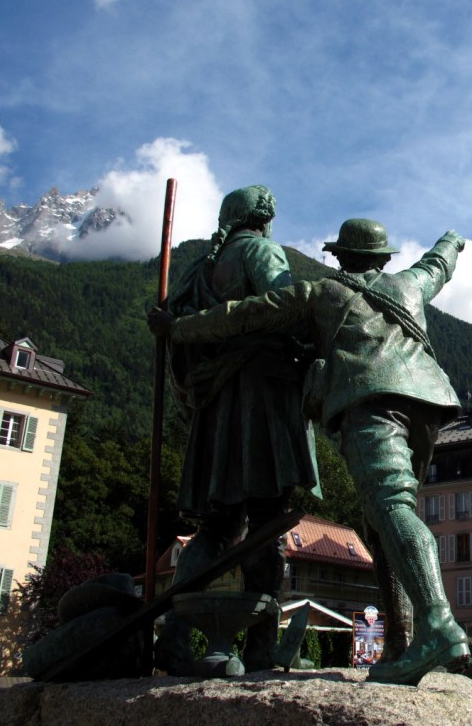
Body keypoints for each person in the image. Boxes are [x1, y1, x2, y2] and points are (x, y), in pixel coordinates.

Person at [151, 218, 468, 686]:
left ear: (340, 257)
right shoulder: (410, 284)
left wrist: (177, 328)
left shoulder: (319, 293)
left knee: (392, 509)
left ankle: (437, 625)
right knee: (381, 526)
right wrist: (452, 237)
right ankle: (401, 643)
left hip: (370, 400)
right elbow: (438, 263)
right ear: (383, 258)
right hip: (427, 406)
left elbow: (242, 315)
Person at [155, 185, 321, 676]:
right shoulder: (261, 251)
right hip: (262, 398)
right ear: (262, 220)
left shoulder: (198, 272)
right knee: (267, 523)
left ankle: (175, 637)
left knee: (217, 526)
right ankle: (261, 647)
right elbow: (285, 306)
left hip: (215, 407)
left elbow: (182, 343)